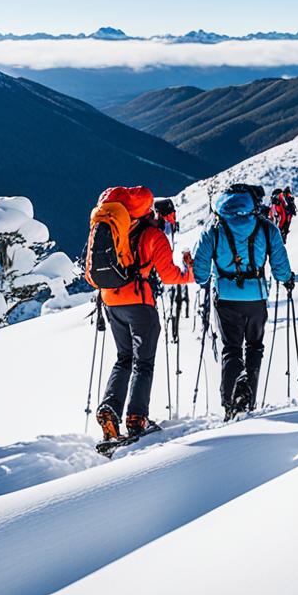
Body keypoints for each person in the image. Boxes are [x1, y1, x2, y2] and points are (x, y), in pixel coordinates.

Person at [89, 187, 194, 442]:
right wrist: (189, 271)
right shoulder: (153, 236)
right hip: (140, 304)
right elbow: (169, 276)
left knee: (123, 358)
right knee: (143, 362)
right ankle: (136, 418)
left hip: (110, 300)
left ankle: (110, 409)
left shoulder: (114, 228)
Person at [192, 186, 293, 418]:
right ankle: (248, 400)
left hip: (226, 298)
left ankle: (231, 402)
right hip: (256, 297)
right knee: (254, 347)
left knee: (231, 349)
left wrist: (208, 279)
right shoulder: (267, 227)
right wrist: (288, 280)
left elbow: (200, 272)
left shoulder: (214, 228)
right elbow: (280, 268)